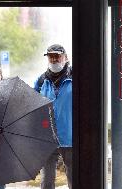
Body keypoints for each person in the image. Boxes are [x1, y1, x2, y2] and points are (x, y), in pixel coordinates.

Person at [34, 44, 72, 189]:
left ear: (65, 57)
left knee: (74, 178)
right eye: (51, 56)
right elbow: (33, 104)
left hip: (70, 136)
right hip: (47, 136)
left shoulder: (75, 76)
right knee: (47, 181)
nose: (54, 59)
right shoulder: (41, 80)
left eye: (57, 56)